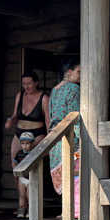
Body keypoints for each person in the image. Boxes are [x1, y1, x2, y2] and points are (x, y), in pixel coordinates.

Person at [5, 72, 49, 171]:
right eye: (24, 84)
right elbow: (15, 115)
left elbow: (47, 120)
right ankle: (18, 182)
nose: (26, 87)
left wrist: (49, 138)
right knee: (15, 164)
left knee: (33, 165)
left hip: (37, 134)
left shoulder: (44, 98)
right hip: (19, 133)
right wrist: (10, 121)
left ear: (36, 83)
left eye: (29, 83)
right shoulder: (20, 95)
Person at [48, 61, 81, 197]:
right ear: (69, 72)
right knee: (75, 172)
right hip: (70, 137)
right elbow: (75, 115)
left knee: (64, 175)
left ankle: (67, 206)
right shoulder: (74, 88)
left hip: (55, 138)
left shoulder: (54, 90)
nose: (81, 76)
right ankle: (76, 207)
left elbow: (50, 115)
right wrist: (81, 140)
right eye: (79, 72)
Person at [12, 131, 36, 219]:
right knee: (22, 195)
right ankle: (21, 209)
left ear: (32, 143)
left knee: (29, 196)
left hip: (31, 178)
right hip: (22, 177)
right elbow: (15, 162)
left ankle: (30, 210)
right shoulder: (19, 154)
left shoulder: (34, 153)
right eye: (22, 143)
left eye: (27, 143)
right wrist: (15, 171)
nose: (25, 146)